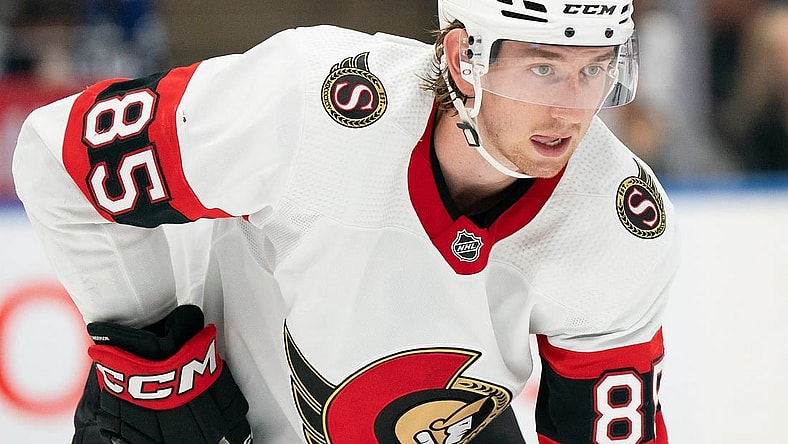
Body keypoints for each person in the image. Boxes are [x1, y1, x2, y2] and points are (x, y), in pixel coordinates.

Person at [12, 1, 678, 443]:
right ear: (461, 61)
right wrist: (156, 359)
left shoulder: (618, 221)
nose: (571, 109)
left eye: (594, 69)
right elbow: (55, 154)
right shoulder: (307, 102)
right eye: (543, 68)